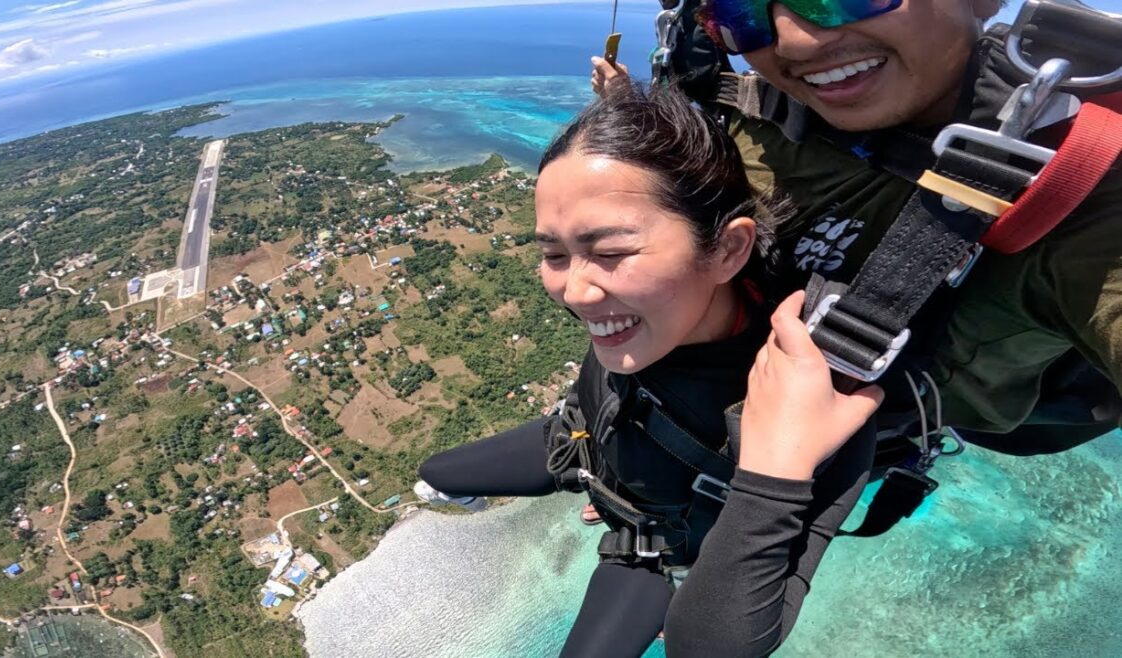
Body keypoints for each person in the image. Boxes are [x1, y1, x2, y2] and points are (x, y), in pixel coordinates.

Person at [417, 84, 882, 657]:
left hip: (645, 542)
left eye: (610, 251)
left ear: (729, 251)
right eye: (554, 254)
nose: (575, 292)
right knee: (434, 471)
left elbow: (707, 649)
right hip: (584, 444)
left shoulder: (814, 394)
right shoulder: (646, 312)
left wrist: (776, 473)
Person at [591, 0, 1122, 478]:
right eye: (741, 11)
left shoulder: (1085, 203)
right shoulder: (758, 105)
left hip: (784, 458)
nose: (794, 41)